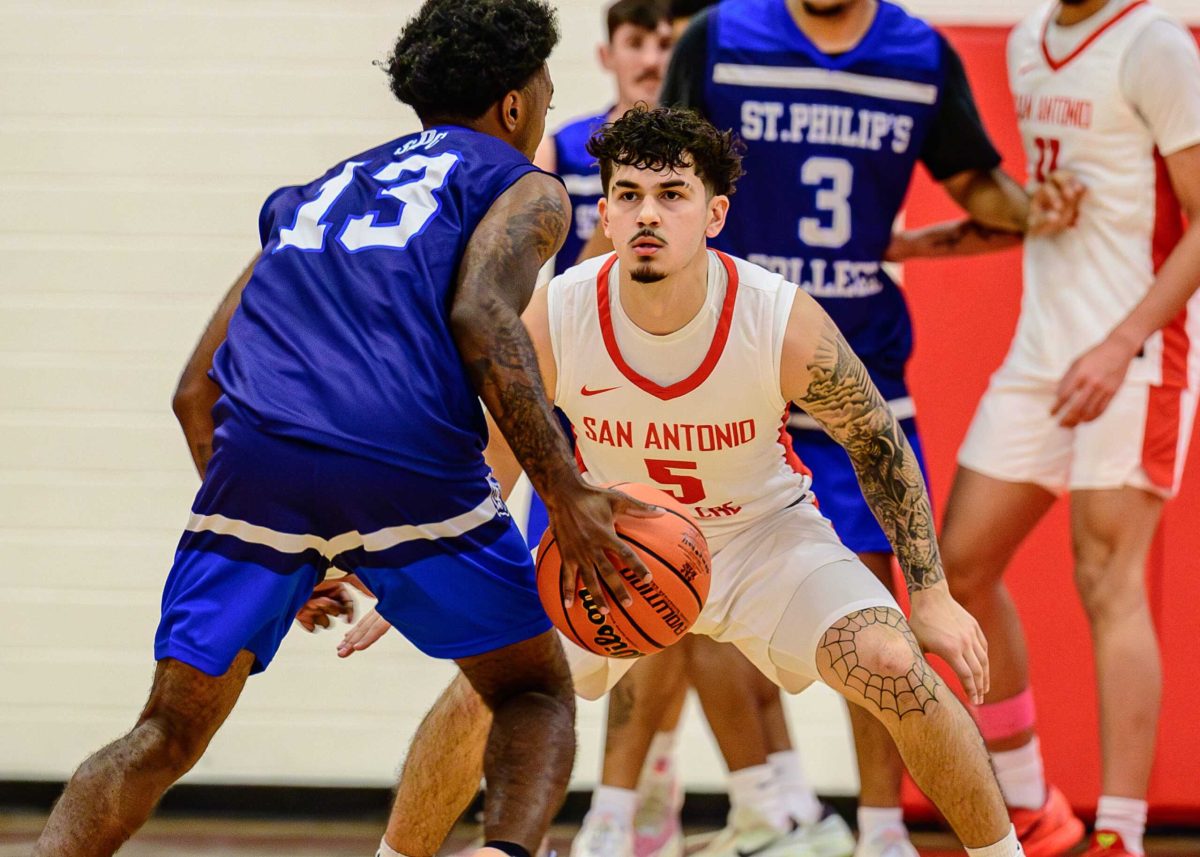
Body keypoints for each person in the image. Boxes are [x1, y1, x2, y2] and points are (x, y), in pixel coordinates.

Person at [30, 3, 658, 857]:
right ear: (515, 104)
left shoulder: (315, 192)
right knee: (532, 695)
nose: (550, 103)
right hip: (402, 450)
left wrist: (276, 530)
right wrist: (566, 492)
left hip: (255, 461)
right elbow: (482, 315)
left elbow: (192, 392)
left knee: (165, 731)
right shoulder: (524, 186)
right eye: (546, 86)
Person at [322, 105, 1027, 857]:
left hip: (762, 538)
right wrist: (430, 561)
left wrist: (930, 591)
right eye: (626, 195)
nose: (646, 213)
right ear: (606, 209)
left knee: (895, 666)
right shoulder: (557, 312)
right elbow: (488, 451)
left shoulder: (776, 318)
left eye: (670, 194)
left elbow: (875, 438)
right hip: (611, 547)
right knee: (481, 686)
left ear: (714, 213)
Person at [602, 4, 1079, 857]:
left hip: (858, 373)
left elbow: (975, 182)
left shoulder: (919, 53)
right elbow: (662, 169)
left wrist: (1028, 205)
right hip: (730, 368)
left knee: (875, 619)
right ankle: (763, 805)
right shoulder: (722, 35)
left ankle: (882, 828)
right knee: (703, 592)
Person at [890, 2, 1200, 855]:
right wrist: (922, 244)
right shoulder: (1031, 42)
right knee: (960, 567)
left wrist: (1121, 341)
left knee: (1107, 575)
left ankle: (1123, 832)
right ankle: (1031, 799)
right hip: (1042, 349)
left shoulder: (1156, 46)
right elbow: (1051, 207)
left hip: (1138, 350)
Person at [538, 0, 674, 276]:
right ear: (606, 55)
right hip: (585, 311)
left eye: (663, 45)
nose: (651, 61)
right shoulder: (560, 146)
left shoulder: (705, 150)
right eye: (635, 43)